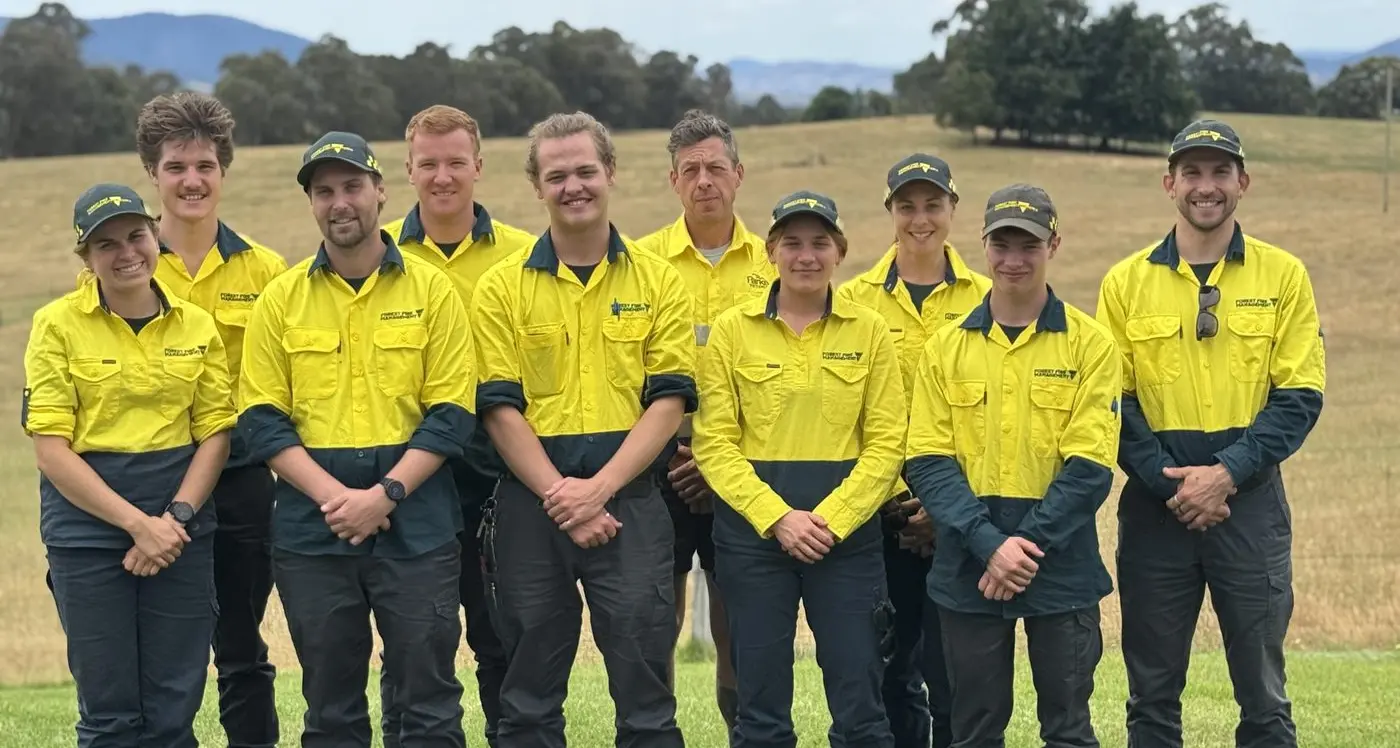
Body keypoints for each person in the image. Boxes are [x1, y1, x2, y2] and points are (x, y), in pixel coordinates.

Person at [237, 131, 475, 748]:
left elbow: (452, 412)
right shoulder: (280, 299)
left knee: (428, 700)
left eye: (352, 187)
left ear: (380, 191)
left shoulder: (432, 290)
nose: (339, 202)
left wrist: (385, 494)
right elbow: (261, 418)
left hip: (417, 521)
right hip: (313, 533)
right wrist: (337, 500)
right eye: (324, 192)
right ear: (312, 204)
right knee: (331, 706)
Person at [1096, 119, 1326, 748]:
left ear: (1243, 182)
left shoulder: (1283, 277)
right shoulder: (1124, 283)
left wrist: (1225, 474)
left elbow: (1300, 395)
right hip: (1154, 511)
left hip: (1249, 509)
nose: (1206, 186)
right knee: (1151, 698)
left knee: (1264, 696)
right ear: (1169, 183)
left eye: (1220, 172)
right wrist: (1171, 484)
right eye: (1192, 173)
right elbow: (1110, 403)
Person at [471, 111, 695, 748]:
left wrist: (598, 490)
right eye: (557, 175)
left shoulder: (660, 282)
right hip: (529, 507)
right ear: (537, 186)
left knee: (647, 701)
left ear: (612, 174)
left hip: (632, 504)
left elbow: (669, 402)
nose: (574, 186)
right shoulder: (500, 289)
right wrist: (562, 497)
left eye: (586, 171)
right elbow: (498, 409)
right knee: (528, 701)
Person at [904, 184, 1121, 747]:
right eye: (1002, 245)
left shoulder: (1092, 345)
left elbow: (1091, 466)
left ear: (1054, 244)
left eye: (1029, 245)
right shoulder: (945, 349)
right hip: (968, 562)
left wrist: (1020, 548)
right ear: (984, 247)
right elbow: (927, 460)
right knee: (973, 729)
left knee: (1069, 728)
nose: (1014, 260)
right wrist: (987, 544)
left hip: (1061, 559)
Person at [691, 190, 906, 748]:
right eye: (792, 243)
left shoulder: (870, 331)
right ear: (770, 252)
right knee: (759, 710)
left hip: (848, 542)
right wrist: (778, 518)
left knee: (862, 706)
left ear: (840, 251)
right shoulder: (731, 331)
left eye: (819, 243)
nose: (805, 256)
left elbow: (887, 444)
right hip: (752, 541)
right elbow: (713, 442)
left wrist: (832, 519)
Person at [24, 183, 236, 747]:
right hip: (88, 535)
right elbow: (51, 449)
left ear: (155, 237)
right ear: (86, 258)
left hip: (180, 532)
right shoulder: (56, 325)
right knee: (109, 713)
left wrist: (174, 518)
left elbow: (215, 431)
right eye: (105, 244)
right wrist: (139, 526)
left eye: (136, 236)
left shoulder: (197, 325)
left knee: (173, 709)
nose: (126, 253)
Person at [378, 103, 536, 748]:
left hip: (499, 473)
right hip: (411, 475)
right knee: (412, 642)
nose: (442, 177)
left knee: (502, 633)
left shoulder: (528, 254)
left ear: (479, 166)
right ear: (408, 170)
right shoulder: (377, 251)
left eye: (455, 162)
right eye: (427, 164)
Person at [134, 91, 289, 748]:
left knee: (241, 645)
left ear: (224, 171)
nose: (191, 180)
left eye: (204, 165)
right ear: (153, 173)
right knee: (163, 648)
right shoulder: (124, 268)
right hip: (152, 484)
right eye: (176, 167)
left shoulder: (269, 271)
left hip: (245, 481)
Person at [835, 153, 990, 748]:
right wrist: (900, 502)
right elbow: (847, 418)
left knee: (953, 674)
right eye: (907, 206)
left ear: (953, 209)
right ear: (889, 212)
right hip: (881, 517)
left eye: (933, 205)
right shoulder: (851, 301)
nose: (920, 219)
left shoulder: (986, 299)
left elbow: (992, 418)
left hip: (964, 516)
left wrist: (946, 510)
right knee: (887, 669)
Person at [633, 108, 772, 732]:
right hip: (660, 461)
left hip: (746, 464)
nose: (704, 181)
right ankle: (656, 732)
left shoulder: (776, 263)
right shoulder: (641, 264)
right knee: (653, 617)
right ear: (673, 182)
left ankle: (743, 728)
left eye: (716, 167)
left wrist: (721, 460)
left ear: (739, 175)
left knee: (737, 623)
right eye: (690, 170)